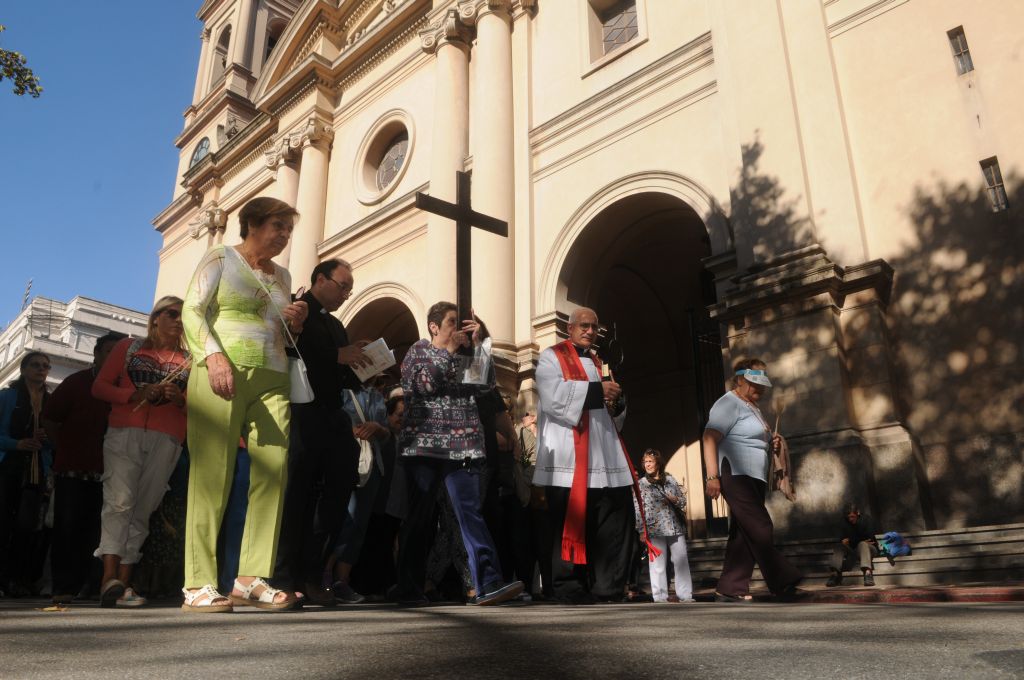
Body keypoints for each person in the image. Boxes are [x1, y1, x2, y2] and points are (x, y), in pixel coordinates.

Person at [181, 196, 308, 613]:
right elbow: (193, 311)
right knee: (211, 474)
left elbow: (279, 331)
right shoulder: (219, 257)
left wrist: (296, 323)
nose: (284, 236)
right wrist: (213, 356)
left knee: (273, 473)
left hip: (272, 376)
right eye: (278, 226)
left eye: (288, 229)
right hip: (221, 371)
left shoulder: (284, 275)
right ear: (252, 224)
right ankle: (197, 582)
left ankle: (250, 578)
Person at [394, 302, 523, 606]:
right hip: (423, 447)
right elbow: (423, 384)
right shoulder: (419, 351)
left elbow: (485, 387)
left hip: (463, 446)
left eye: (461, 323)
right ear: (434, 326)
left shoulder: (467, 354)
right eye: (452, 322)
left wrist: (478, 345)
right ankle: (408, 587)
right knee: (419, 518)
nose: (457, 329)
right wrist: (448, 352)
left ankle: (488, 583)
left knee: (470, 516)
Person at [533, 307, 655, 604]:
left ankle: (608, 586)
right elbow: (553, 397)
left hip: (605, 457)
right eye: (584, 326)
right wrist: (599, 391)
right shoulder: (552, 356)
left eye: (594, 327)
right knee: (570, 521)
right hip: (568, 459)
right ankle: (569, 586)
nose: (590, 331)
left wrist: (618, 400)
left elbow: (612, 417)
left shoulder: (600, 362)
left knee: (614, 520)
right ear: (570, 328)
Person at [274, 258, 367, 607]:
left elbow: (343, 376)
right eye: (342, 285)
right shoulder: (299, 310)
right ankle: (284, 576)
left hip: (332, 414)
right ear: (320, 279)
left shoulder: (338, 324)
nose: (346, 293)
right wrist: (336, 355)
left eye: (350, 289)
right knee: (296, 493)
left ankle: (313, 575)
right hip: (302, 412)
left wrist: (362, 363)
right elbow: (291, 351)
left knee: (337, 491)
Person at [91, 297, 191, 608]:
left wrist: (179, 399)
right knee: (118, 502)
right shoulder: (129, 348)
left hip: (168, 437)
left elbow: (199, 407)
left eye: (184, 316)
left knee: (143, 509)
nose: (178, 320)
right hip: (124, 432)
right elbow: (100, 387)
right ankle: (110, 579)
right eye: (172, 314)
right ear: (156, 318)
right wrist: (133, 393)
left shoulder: (191, 359)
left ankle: (124, 582)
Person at [703, 358, 802, 602]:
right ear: (739, 380)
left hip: (754, 476)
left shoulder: (753, 408)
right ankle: (783, 580)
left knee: (743, 534)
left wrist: (772, 443)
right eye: (753, 383)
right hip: (735, 474)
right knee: (761, 526)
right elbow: (708, 438)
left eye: (762, 384)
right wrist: (712, 476)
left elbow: (751, 438)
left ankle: (729, 587)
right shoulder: (728, 403)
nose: (760, 388)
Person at [42, 331, 125, 604]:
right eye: (108, 351)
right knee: (68, 529)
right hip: (73, 470)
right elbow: (51, 419)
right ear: (97, 353)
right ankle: (63, 586)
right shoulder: (76, 382)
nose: (114, 357)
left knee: (100, 532)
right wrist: (64, 447)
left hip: (112, 473)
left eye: (120, 353)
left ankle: (93, 586)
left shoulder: (126, 388)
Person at [325, 379, 390, 604]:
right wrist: (352, 430)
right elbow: (331, 420)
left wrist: (378, 428)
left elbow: (387, 432)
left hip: (373, 465)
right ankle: (325, 573)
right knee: (345, 518)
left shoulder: (376, 395)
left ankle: (342, 580)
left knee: (360, 522)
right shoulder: (341, 390)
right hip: (346, 460)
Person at [0, 352, 52, 597]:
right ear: (23, 369)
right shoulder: (6, 397)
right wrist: (16, 444)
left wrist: (47, 439)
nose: (41, 369)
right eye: (35, 365)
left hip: (37, 471)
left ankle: (19, 579)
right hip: (8, 466)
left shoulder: (51, 402)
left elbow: (55, 441)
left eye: (45, 366)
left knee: (28, 527)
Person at [634, 449, 693, 603]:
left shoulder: (670, 480)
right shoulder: (641, 484)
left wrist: (675, 499)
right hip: (655, 529)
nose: (647, 465)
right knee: (657, 564)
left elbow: (682, 501)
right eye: (645, 462)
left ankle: (685, 595)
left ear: (658, 463)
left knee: (681, 560)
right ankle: (660, 597)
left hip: (675, 526)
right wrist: (641, 530)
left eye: (650, 461)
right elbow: (638, 508)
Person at [827, 503, 879, 587]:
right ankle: (834, 574)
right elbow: (841, 539)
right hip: (854, 550)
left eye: (852, 517)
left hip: (870, 549)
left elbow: (869, 537)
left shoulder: (866, 520)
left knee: (862, 544)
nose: (850, 519)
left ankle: (868, 574)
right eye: (848, 517)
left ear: (857, 513)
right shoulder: (844, 522)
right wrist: (847, 541)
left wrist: (850, 540)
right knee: (839, 546)